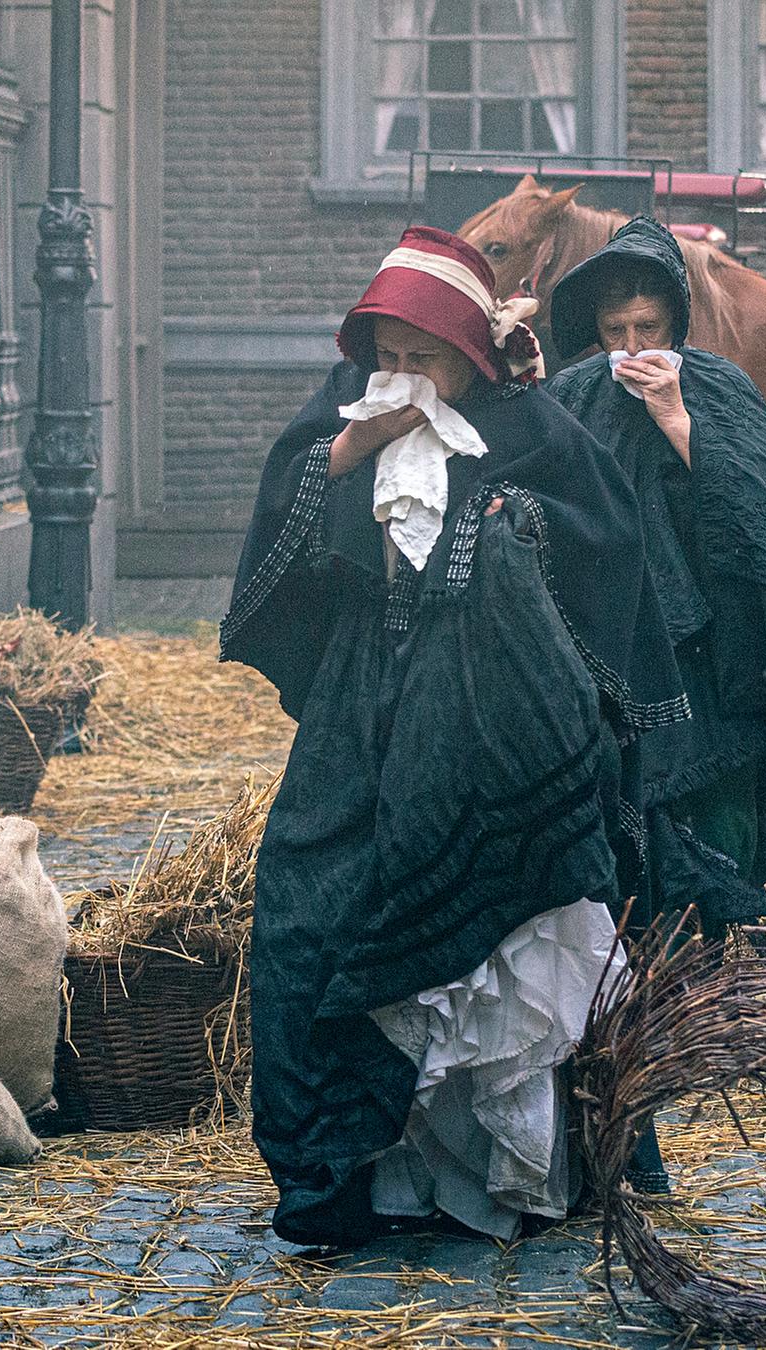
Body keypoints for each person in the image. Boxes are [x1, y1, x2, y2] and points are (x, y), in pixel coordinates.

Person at [218, 226, 687, 1247]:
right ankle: (354, 1176)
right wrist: (358, 450)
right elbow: (293, 528)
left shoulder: (530, 431)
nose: (400, 378)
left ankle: (499, 1173)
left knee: (503, 932)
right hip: (363, 709)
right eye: (385, 358)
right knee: (311, 900)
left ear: (467, 364)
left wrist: (504, 528)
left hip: (497, 725)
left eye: (422, 362)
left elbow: (602, 547)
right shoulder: (344, 418)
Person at [544, 215, 766, 1191]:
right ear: (590, 334)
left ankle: (677, 1057)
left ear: (676, 324)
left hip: (719, 692)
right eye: (615, 332)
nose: (634, 350)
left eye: (650, 327)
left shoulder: (719, 389)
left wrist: (682, 426)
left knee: (701, 895)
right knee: (622, 907)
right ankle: (620, 1114)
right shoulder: (569, 408)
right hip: (622, 699)